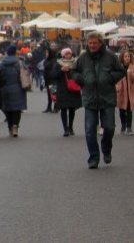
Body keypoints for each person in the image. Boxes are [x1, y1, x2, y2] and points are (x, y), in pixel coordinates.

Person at [71, 32, 125, 168]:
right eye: (90, 43)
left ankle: (106, 149)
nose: (92, 45)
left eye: (95, 43)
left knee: (109, 128)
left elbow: (121, 70)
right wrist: (80, 79)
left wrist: (110, 78)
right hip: (89, 98)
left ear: (100, 43)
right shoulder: (83, 58)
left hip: (107, 97)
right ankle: (94, 158)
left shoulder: (111, 57)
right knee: (89, 130)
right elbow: (73, 71)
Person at [50, 47, 82, 137]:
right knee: (63, 109)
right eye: (66, 54)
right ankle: (65, 129)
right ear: (63, 55)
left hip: (73, 89)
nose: (68, 55)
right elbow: (53, 75)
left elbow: (80, 73)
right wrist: (61, 70)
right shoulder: (58, 64)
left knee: (72, 109)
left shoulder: (75, 63)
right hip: (62, 89)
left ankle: (71, 127)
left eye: (69, 53)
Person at [0, 45, 27, 137]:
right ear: (15, 52)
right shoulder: (19, 62)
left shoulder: (2, 63)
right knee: (17, 110)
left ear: (7, 52)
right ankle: (15, 126)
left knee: (8, 109)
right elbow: (24, 74)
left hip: (5, 88)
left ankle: (10, 127)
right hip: (18, 88)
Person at [116, 49, 134, 136]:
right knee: (122, 109)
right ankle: (123, 125)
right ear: (122, 58)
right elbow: (116, 79)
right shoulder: (119, 67)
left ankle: (129, 127)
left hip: (130, 91)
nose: (127, 58)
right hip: (122, 91)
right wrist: (116, 86)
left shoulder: (132, 67)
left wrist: (131, 74)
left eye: (129, 56)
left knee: (129, 109)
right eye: (125, 56)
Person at [42, 46, 58, 113]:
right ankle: (49, 107)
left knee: (53, 94)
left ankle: (56, 107)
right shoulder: (47, 59)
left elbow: (52, 68)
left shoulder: (54, 60)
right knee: (49, 94)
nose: (46, 54)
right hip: (47, 80)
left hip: (52, 80)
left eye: (47, 52)